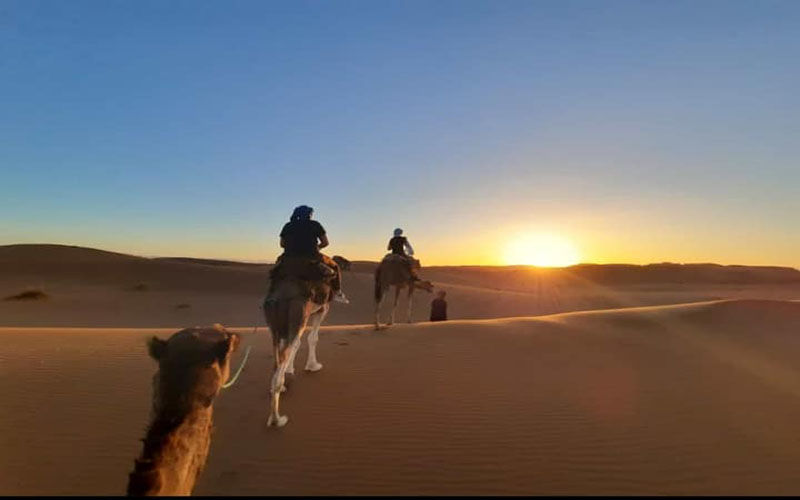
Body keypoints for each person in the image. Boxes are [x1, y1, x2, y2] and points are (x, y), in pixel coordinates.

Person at [275, 205, 349, 304]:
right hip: (312, 256)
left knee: (275, 272)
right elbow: (325, 242)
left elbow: (282, 244)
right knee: (335, 267)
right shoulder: (315, 224)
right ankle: (337, 292)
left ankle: (271, 295)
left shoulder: (288, 226)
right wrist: (318, 247)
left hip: (289, 257)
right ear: (309, 214)